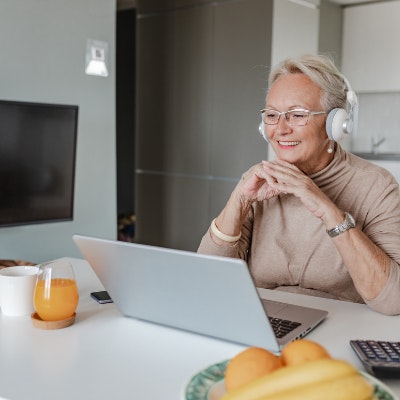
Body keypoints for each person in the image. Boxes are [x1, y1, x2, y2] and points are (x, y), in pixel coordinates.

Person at [198, 54, 400, 316]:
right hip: (263, 322)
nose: (280, 129)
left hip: (343, 325)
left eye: (297, 115)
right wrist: (240, 199)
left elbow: (393, 300)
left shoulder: (376, 185)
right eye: (272, 115)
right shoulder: (260, 180)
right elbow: (208, 281)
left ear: (335, 124)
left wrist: (326, 208)